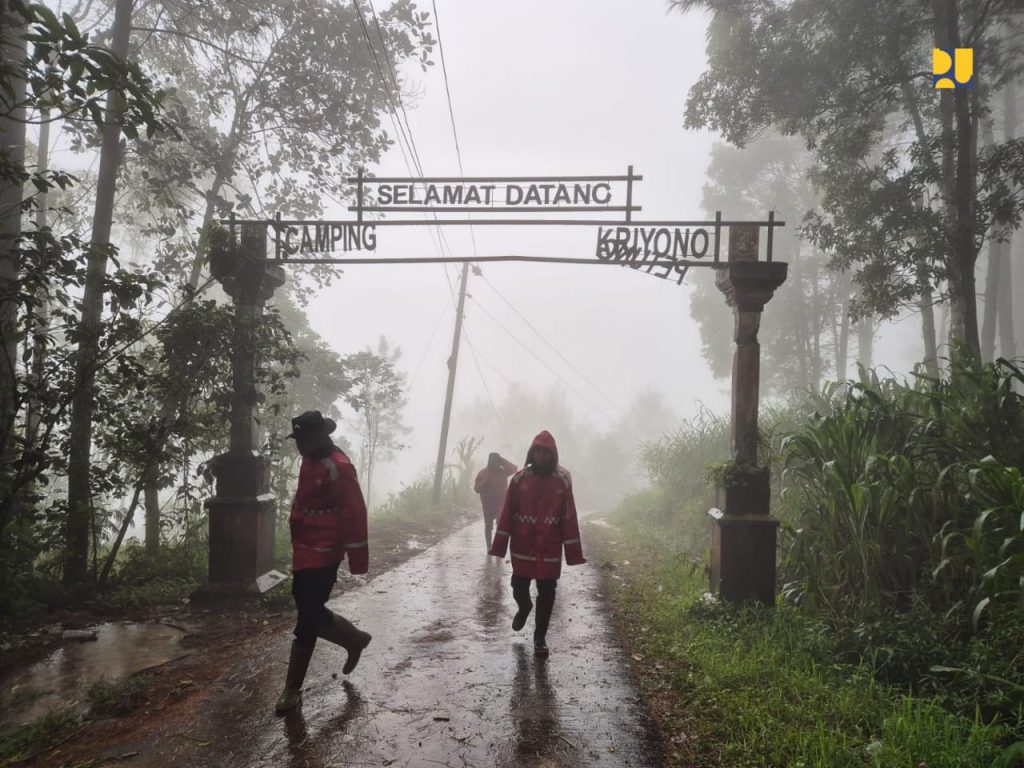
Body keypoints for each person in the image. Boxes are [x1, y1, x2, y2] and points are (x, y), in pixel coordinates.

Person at [275, 410, 372, 714]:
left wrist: (357, 559)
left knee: (307, 616)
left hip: (326, 553)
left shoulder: (338, 466)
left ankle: (292, 689)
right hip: (304, 552)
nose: (299, 445)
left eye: (304, 438)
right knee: (308, 608)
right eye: (297, 439)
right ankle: (354, 639)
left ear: (319, 436)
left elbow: (355, 512)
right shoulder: (309, 459)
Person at [488, 431, 585, 657]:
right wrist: (499, 545)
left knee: (547, 593)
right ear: (532, 453)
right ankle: (524, 607)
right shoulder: (519, 480)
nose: (541, 456)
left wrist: (573, 553)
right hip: (523, 546)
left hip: (550, 548)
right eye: (538, 451)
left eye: (546, 452)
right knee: (518, 586)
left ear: (553, 455)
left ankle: (540, 638)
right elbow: (506, 514)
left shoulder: (561, 482)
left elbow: (569, 518)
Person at [473, 452, 517, 548]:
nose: (493, 462)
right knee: (488, 526)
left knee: (500, 525)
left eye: (496, 460)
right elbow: (476, 488)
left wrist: (502, 460)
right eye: (492, 460)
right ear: (489, 461)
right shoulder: (483, 473)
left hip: (500, 504)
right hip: (488, 505)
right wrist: (485, 485)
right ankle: (489, 547)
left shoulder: (503, 471)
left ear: (498, 461)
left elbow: (514, 468)